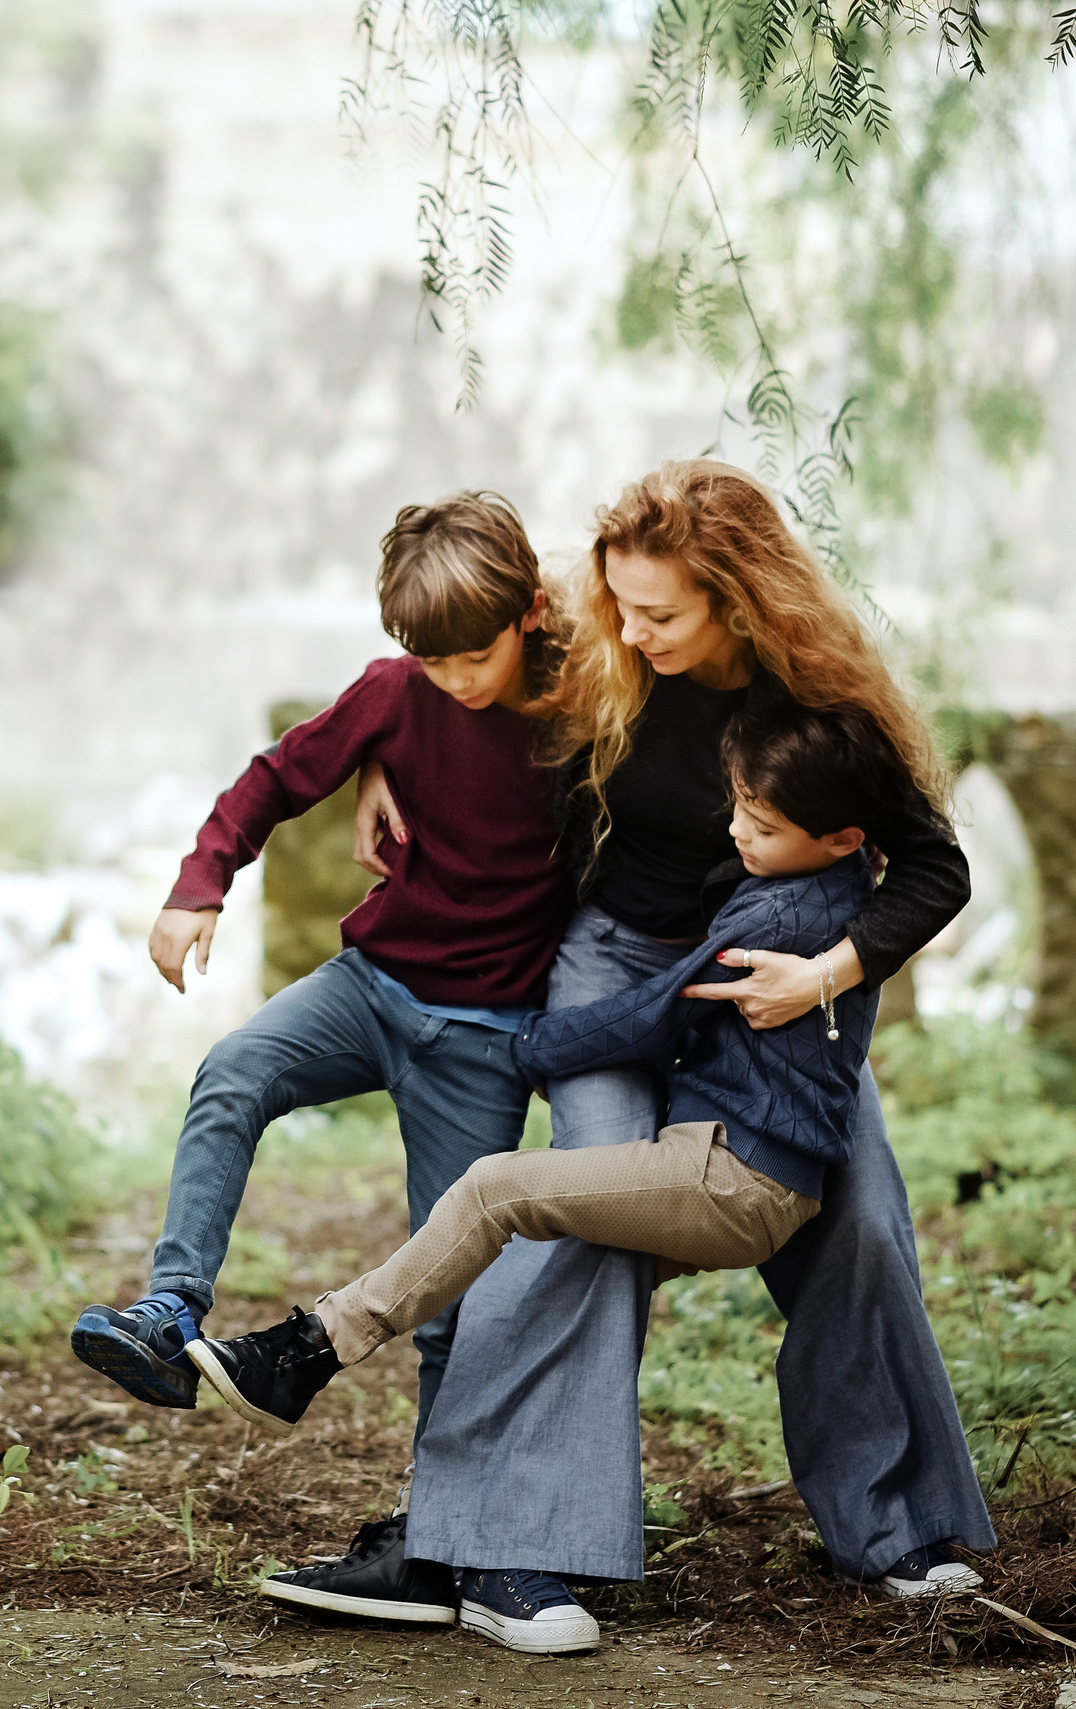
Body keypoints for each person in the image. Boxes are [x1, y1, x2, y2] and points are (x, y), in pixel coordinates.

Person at [259, 459, 996, 1648]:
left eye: (660, 612)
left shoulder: (817, 701)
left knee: (858, 1218)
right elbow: (452, 679)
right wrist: (385, 763)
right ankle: (495, 1545)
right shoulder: (599, 644)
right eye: (618, 601)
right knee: (583, 1213)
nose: (631, 627)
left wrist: (823, 973)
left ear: (736, 600)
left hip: (764, 985)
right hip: (612, 968)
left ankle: (893, 1525)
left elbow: (930, 865)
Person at [185, 696, 905, 1654]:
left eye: (762, 825)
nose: (736, 832)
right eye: (736, 806)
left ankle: (311, 1348)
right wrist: (387, 760)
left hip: (729, 1177)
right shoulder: (840, 880)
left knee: (497, 1188)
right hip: (732, 1169)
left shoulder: (779, 914)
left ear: (844, 836)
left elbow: (652, 1014)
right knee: (536, 1267)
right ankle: (462, 1533)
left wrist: (525, 1044)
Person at [70, 493, 573, 1428]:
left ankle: (447, 1506)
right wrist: (198, 883)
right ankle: (169, 1310)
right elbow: (276, 776)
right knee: (233, 1071)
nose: (457, 680)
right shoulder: (397, 691)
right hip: (371, 988)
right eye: (434, 660)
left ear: (531, 613)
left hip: (485, 1038)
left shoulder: (581, 712)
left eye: (476, 656)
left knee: (453, 1297)